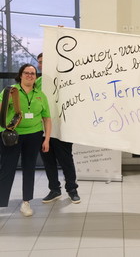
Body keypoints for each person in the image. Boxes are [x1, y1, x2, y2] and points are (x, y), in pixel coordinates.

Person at [0, 64, 51, 216]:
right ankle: (1, 203)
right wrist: (6, 101)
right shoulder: (10, 91)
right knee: (7, 168)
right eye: (26, 73)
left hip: (34, 135)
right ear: (21, 75)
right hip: (12, 135)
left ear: (36, 77)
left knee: (29, 169)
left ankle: (26, 203)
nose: (30, 75)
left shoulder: (40, 95)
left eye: (33, 73)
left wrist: (46, 139)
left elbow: (47, 118)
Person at [37, 53, 81, 204]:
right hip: (43, 130)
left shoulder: (65, 78)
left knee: (66, 160)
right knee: (48, 162)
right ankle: (54, 190)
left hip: (62, 129)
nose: (40, 65)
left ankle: (72, 189)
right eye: (39, 63)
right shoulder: (38, 82)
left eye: (43, 62)